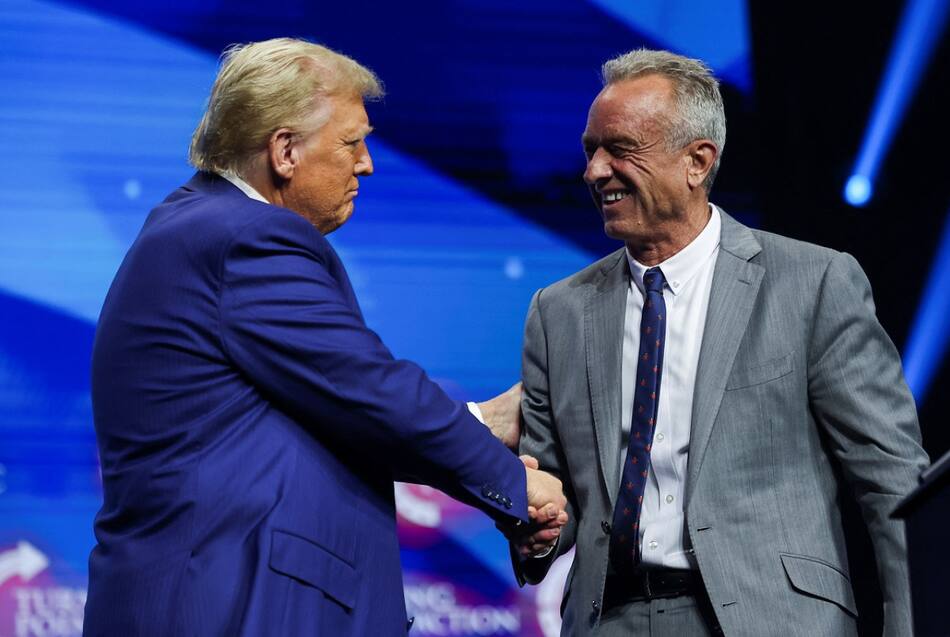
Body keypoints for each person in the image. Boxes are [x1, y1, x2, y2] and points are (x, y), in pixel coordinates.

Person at [83, 38, 566, 637]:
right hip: (226, 606)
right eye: (351, 142)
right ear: (285, 151)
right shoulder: (247, 239)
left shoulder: (199, 227)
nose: (366, 163)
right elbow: (367, 390)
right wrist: (515, 483)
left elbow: (324, 414)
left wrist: (481, 423)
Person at [508, 49, 928, 636]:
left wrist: (915, 625)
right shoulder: (558, 312)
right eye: (590, 150)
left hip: (773, 618)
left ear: (697, 161)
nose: (595, 171)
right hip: (610, 620)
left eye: (620, 149)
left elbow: (892, 480)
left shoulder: (812, 283)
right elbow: (550, 489)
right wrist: (536, 528)